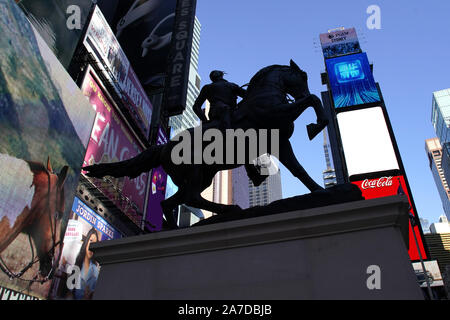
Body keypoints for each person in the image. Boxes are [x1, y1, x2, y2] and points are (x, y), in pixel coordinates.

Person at [73, 228, 100, 300]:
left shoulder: (95, 272)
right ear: (86, 242)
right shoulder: (77, 263)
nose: (92, 246)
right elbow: (69, 291)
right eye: (91, 241)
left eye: (95, 243)